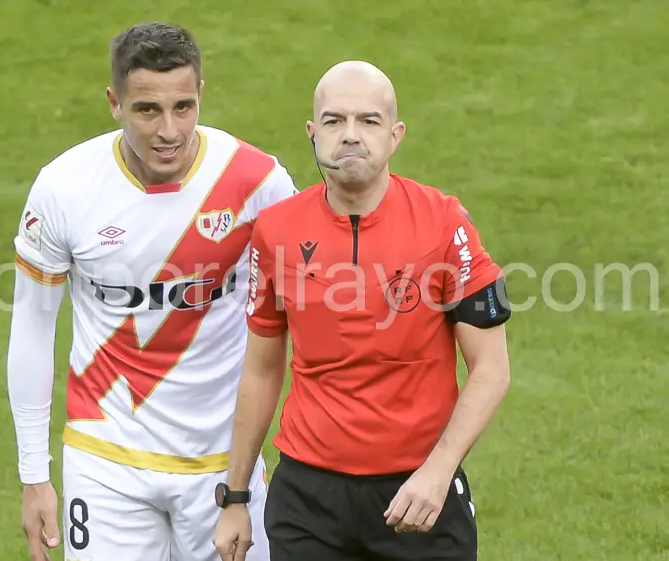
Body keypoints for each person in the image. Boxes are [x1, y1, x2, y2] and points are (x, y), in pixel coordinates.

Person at [6, 22, 298, 561]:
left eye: (184, 107)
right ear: (115, 103)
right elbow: (31, 326)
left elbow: (307, 321)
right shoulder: (65, 187)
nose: (170, 130)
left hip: (225, 468)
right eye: (147, 110)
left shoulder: (257, 182)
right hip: (105, 460)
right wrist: (33, 477)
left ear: (201, 95)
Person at [212, 60, 512, 561]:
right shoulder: (275, 230)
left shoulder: (443, 223)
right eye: (334, 121)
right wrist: (236, 496)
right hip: (307, 501)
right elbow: (262, 370)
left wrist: (438, 473)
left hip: (418, 494)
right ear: (312, 133)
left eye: (368, 121)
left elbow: (492, 369)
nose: (350, 135)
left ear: (395, 135)